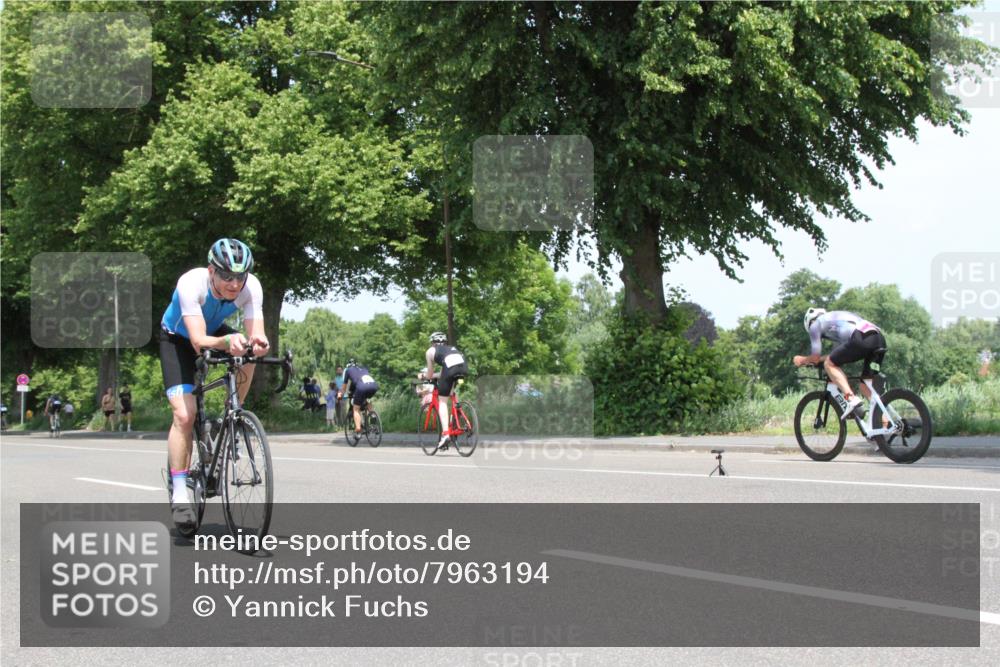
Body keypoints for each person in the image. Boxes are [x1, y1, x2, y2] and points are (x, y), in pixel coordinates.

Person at [159, 238, 269, 530]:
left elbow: (255, 332)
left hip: (213, 331)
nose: (235, 284)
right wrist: (227, 341)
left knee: (247, 354)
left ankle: (232, 415)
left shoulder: (251, 287)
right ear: (211, 271)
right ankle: (181, 492)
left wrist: (257, 343)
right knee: (185, 415)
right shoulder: (191, 284)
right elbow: (198, 341)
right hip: (179, 338)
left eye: (240, 276)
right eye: (226, 276)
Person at [793, 308, 887, 419]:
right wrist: (820, 360)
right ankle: (886, 426)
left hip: (860, 338)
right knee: (865, 387)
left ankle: (851, 398)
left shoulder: (815, 325)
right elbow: (835, 356)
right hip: (878, 339)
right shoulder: (835, 321)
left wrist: (801, 360)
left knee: (829, 365)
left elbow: (815, 357)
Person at [424, 332, 469, 451]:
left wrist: (424, 376)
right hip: (463, 368)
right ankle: (457, 413)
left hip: (450, 370)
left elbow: (429, 374)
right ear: (445, 342)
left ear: (432, 343)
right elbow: (444, 372)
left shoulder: (430, 351)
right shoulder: (451, 349)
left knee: (442, 401)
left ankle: (445, 434)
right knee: (452, 391)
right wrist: (436, 375)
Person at [338, 360, 379, 442]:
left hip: (361, 387)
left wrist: (340, 394)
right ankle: (372, 415)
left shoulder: (348, 370)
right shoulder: (363, 369)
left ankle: (358, 430)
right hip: (373, 386)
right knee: (367, 401)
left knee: (356, 409)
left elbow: (344, 387)